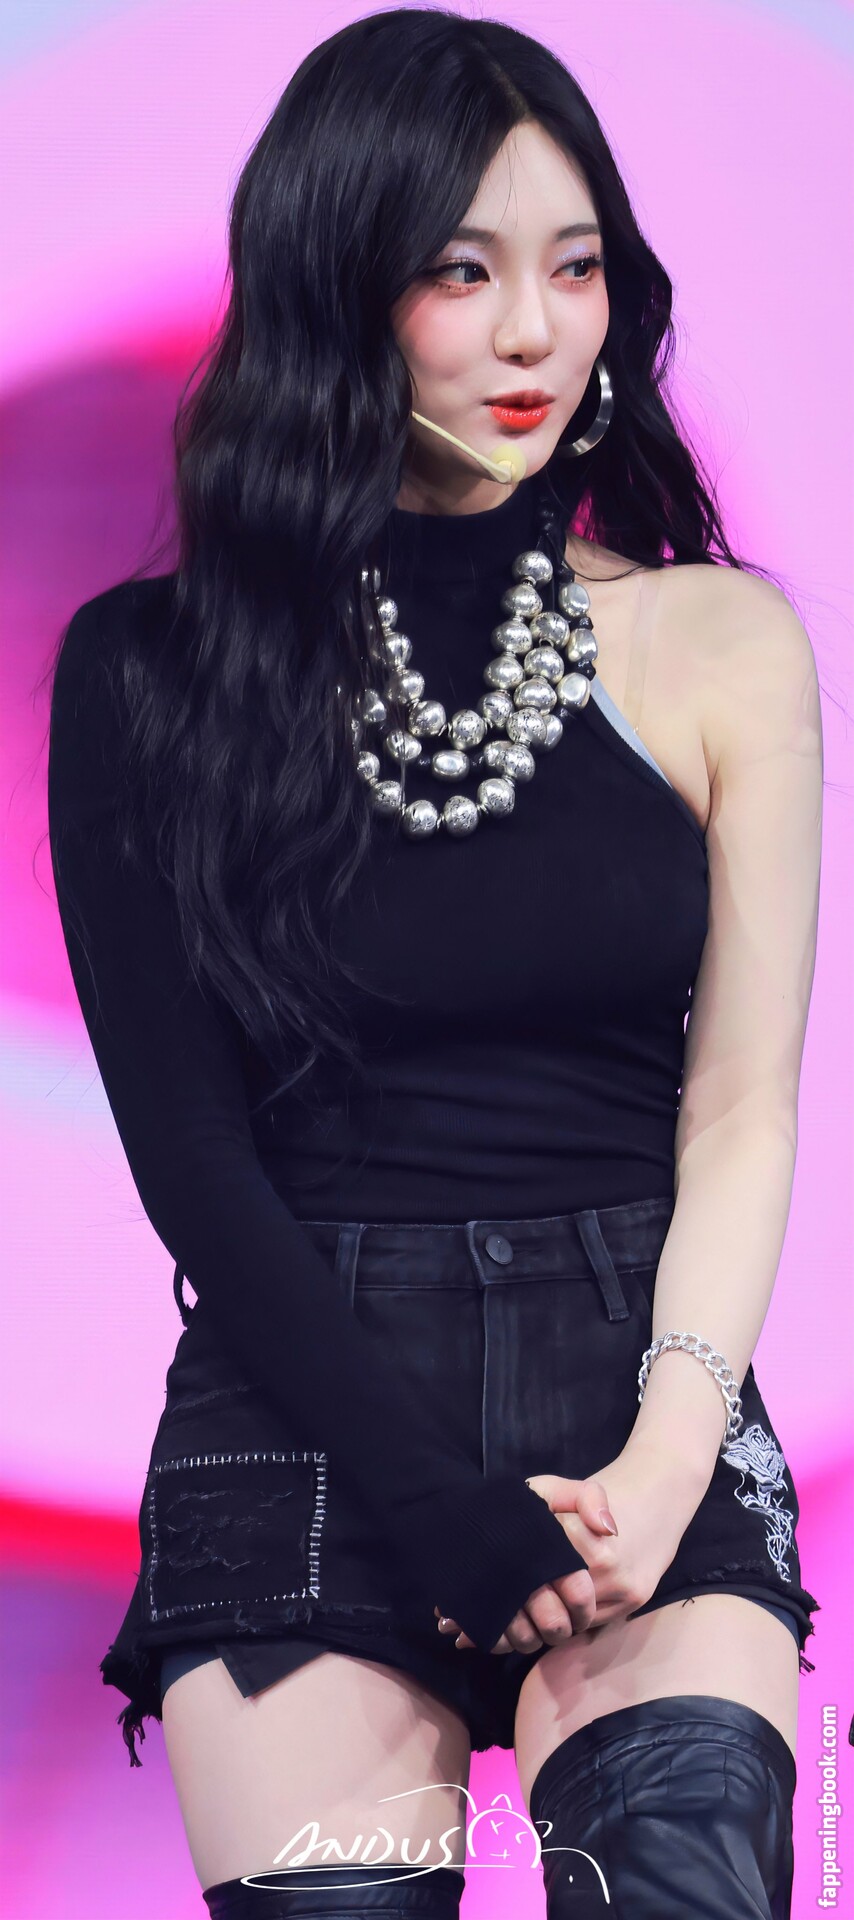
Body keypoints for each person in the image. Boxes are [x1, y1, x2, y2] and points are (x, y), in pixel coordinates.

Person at [45, 9, 823, 1917]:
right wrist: (422, 1490)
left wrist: (666, 1457)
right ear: (338, 287)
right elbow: (191, 1161)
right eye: (461, 274)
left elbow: (738, 1108)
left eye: (575, 267)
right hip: (306, 1399)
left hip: (636, 1375)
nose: (535, 333)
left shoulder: (722, 643)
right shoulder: (149, 674)